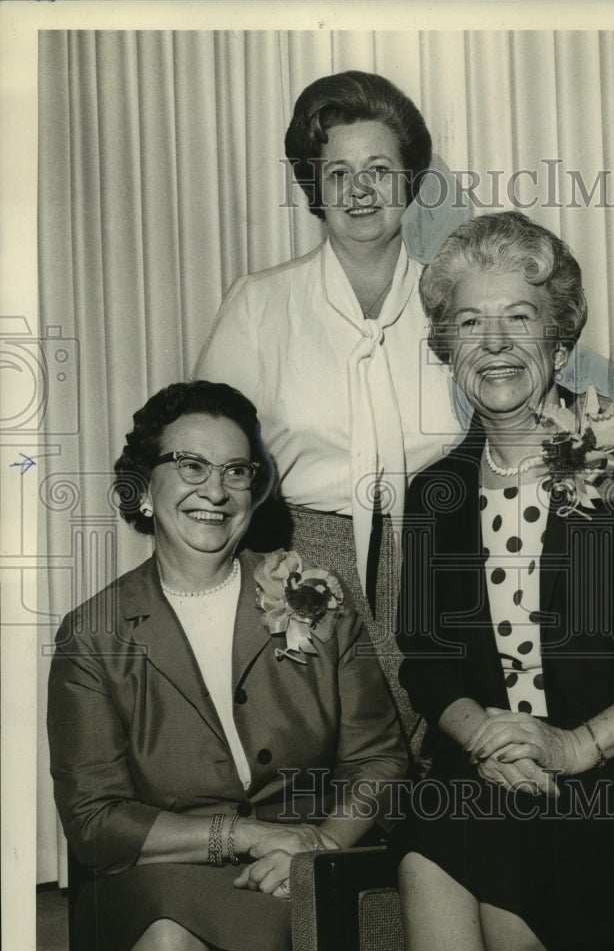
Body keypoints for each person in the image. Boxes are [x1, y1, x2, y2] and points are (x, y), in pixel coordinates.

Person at [391, 212, 614, 951]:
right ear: (444, 345)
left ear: (559, 337)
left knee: (495, 854)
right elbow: (426, 661)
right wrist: (487, 739)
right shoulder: (434, 494)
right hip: (489, 773)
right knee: (433, 842)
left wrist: (575, 746)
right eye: (469, 322)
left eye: (519, 318)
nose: (493, 343)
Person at [47, 380, 407, 951]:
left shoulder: (315, 598)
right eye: (191, 466)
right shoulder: (91, 637)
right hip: (164, 868)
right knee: (168, 939)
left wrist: (317, 847)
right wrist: (244, 835)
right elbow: (95, 820)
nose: (215, 490)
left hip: (298, 866)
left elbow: (380, 759)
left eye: (236, 471)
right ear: (143, 486)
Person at [192, 72, 469, 745]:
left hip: (443, 557)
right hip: (300, 560)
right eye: (337, 171)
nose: (360, 189)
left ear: (412, 181)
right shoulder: (261, 304)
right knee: (323, 765)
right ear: (315, 187)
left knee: (441, 760)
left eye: (379, 169)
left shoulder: (459, 300)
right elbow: (206, 464)